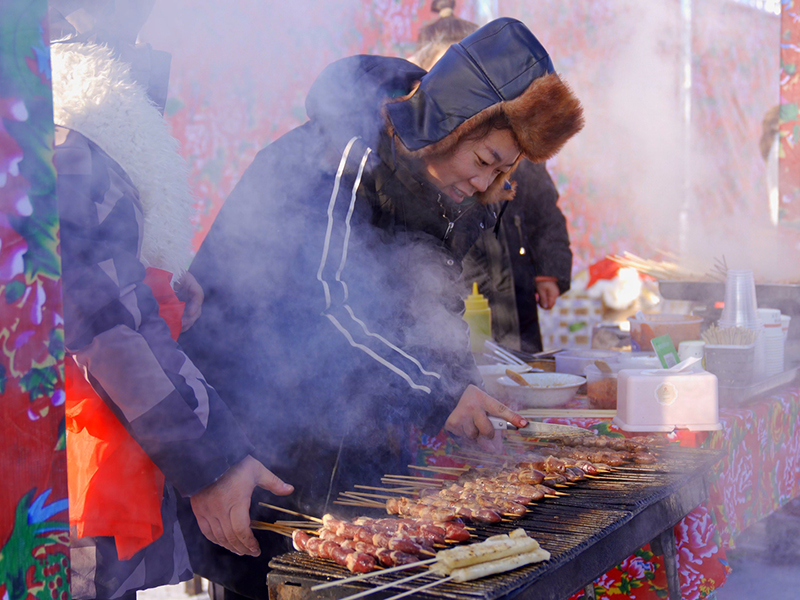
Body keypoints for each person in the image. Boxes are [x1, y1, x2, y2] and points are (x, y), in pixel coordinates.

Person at [179, 17, 583, 598]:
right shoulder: (346, 149)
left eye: (503, 170)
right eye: (487, 157)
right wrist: (440, 395)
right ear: (454, 120)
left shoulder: (435, 188)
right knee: (274, 583)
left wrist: (463, 384)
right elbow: (329, 305)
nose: (486, 180)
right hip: (252, 436)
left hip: (336, 432)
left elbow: (423, 307)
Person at [50, 3, 292, 599]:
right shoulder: (70, 131)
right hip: (67, 458)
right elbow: (108, 323)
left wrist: (160, 271)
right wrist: (213, 462)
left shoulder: (66, 108)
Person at [410, 0, 574, 353]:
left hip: (515, 278)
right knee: (470, 346)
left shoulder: (517, 149)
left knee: (519, 357)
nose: (484, 181)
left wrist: (551, 270)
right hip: (467, 285)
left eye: (497, 169)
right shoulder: (425, 154)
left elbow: (546, 211)